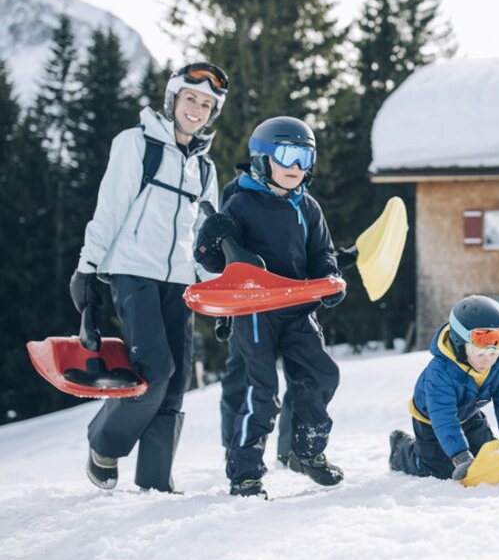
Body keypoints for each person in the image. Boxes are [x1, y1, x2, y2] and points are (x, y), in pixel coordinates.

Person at [69, 62, 229, 492]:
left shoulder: (206, 170)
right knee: (154, 370)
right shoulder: (136, 144)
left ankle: (155, 481)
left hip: (180, 281)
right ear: (173, 99)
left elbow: (204, 242)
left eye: (206, 104)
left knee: (176, 381)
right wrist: (88, 267)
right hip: (132, 271)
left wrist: (216, 295)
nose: (196, 109)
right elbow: (110, 209)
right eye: (191, 98)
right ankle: (104, 443)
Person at [194, 116, 345, 498]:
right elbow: (218, 263)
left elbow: (321, 253)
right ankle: (245, 472)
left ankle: (307, 451)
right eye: (286, 155)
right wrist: (210, 240)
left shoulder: (307, 207)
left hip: (297, 308)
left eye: (305, 157)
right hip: (256, 310)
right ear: (262, 159)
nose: (296, 167)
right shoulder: (240, 203)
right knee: (261, 391)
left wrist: (328, 279)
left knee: (322, 374)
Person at [214, 171, 295, 463]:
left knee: (300, 373)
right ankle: (234, 447)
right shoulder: (235, 192)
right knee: (241, 373)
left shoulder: (293, 189)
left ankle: (292, 450)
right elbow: (226, 252)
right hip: (247, 303)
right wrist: (224, 314)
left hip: (289, 300)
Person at [388, 295, 499, 481]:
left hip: (469, 415)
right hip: (432, 420)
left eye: (494, 352)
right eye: (479, 352)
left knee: (488, 458)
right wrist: (460, 456)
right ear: (459, 342)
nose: (488, 359)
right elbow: (444, 417)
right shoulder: (440, 372)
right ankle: (402, 449)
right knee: (440, 470)